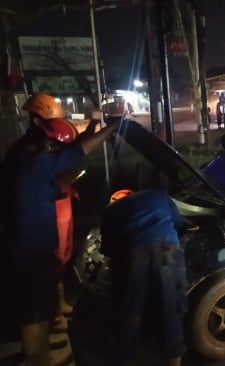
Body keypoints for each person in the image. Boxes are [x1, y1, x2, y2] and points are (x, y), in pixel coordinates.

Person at [1, 93, 119, 366]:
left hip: (26, 248)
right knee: (33, 315)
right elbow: (79, 151)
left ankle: (40, 353)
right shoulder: (35, 160)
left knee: (39, 312)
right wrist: (114, 126)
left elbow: (70, 149)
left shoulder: (21, 152)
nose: (53, 143)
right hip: (31, 251)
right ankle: (37, 358)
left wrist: (92, 127)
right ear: (36, 123)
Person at [99, 189, 189, 366]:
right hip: (166, 250)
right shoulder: (158, 195)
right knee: (171, 308)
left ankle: (126, 358)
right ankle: (173, 360)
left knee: (129, 311)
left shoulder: (110, 210)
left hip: (133, 256)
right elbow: (180, 225)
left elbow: (108, 249)